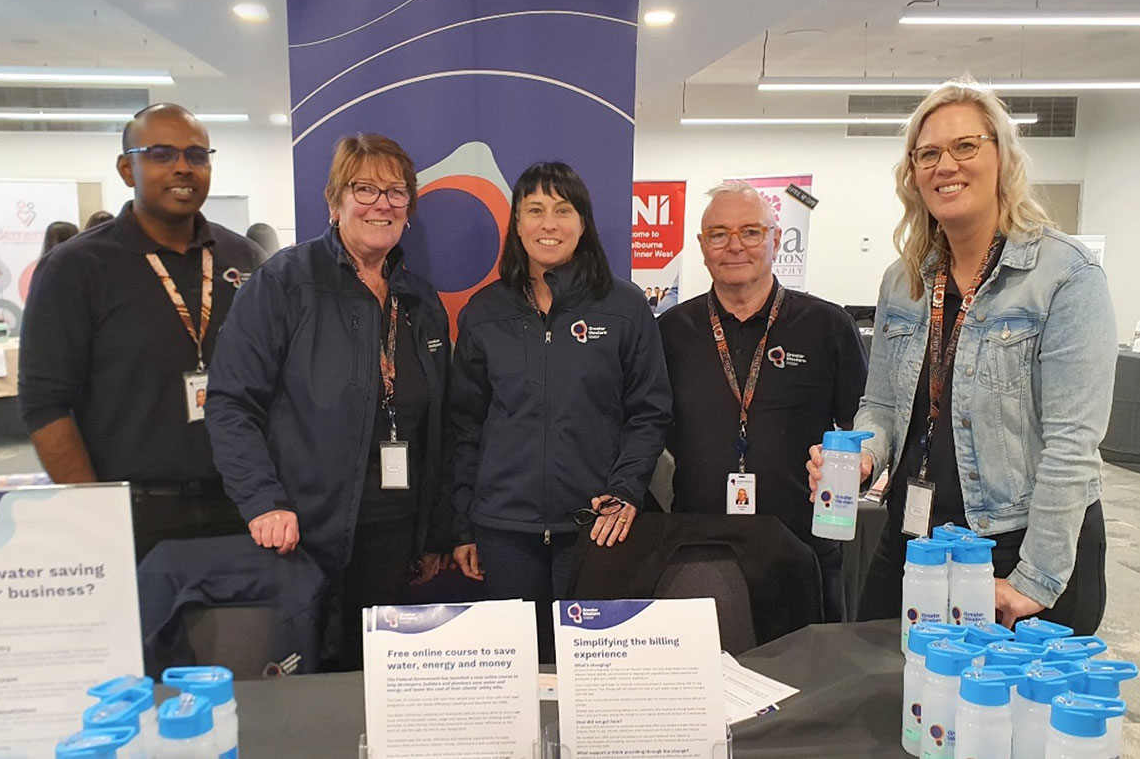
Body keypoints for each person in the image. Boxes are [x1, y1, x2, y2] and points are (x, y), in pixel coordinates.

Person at [808, 78, 1116, 634]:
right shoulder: (903, 283)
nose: (945, 164)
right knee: (887, 701)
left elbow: (1073, 446)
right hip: (913, 536)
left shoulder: (1064, 276)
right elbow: (878, 405)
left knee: (995, 715)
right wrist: (864, 459)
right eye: (928, 154)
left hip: (1018, 543)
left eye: (965, 146)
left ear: (1003, 157)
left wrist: (1035, 578)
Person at [205, 133, 451, 670]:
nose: (381, 203)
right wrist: (263, 500)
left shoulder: (420, 301)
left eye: (396, 192)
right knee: (316, 684)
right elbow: (230, 403)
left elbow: (440, 424)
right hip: (306, 531)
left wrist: (434, 530)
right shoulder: (284, 283)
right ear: (334, 199)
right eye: (365, 188)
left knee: (384, 681)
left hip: (396, 531)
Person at [18, 104, 266, 562]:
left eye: (196, 155)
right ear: (126, 169)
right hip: (135, 514)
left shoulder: (245, 260)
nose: (181, 168)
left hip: (245, 509)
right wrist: (95, 516)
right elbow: (44, 403)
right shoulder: (75, 268)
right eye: (159, 154)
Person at [449, 161, 671, 658]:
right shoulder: (485, 312)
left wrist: (625, 490)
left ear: (583, 223)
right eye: (535, 210)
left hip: (596, 527)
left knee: (592, 675)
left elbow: (649, 411)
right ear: (517, 224)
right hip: (505, 531)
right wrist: (463, 525)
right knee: (519, 674)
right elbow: (464, 425)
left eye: (562, 210)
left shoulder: (625, 307)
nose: (549, 224)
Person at [660, 181, 867, 621]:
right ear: (702, 246)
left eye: (750, 232)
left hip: (801, 550)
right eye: (719, 234)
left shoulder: (828, 327)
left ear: (775, 239)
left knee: (810, 682)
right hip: (699, 552)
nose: (735, 246)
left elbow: (862, 427)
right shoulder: (670, 331)